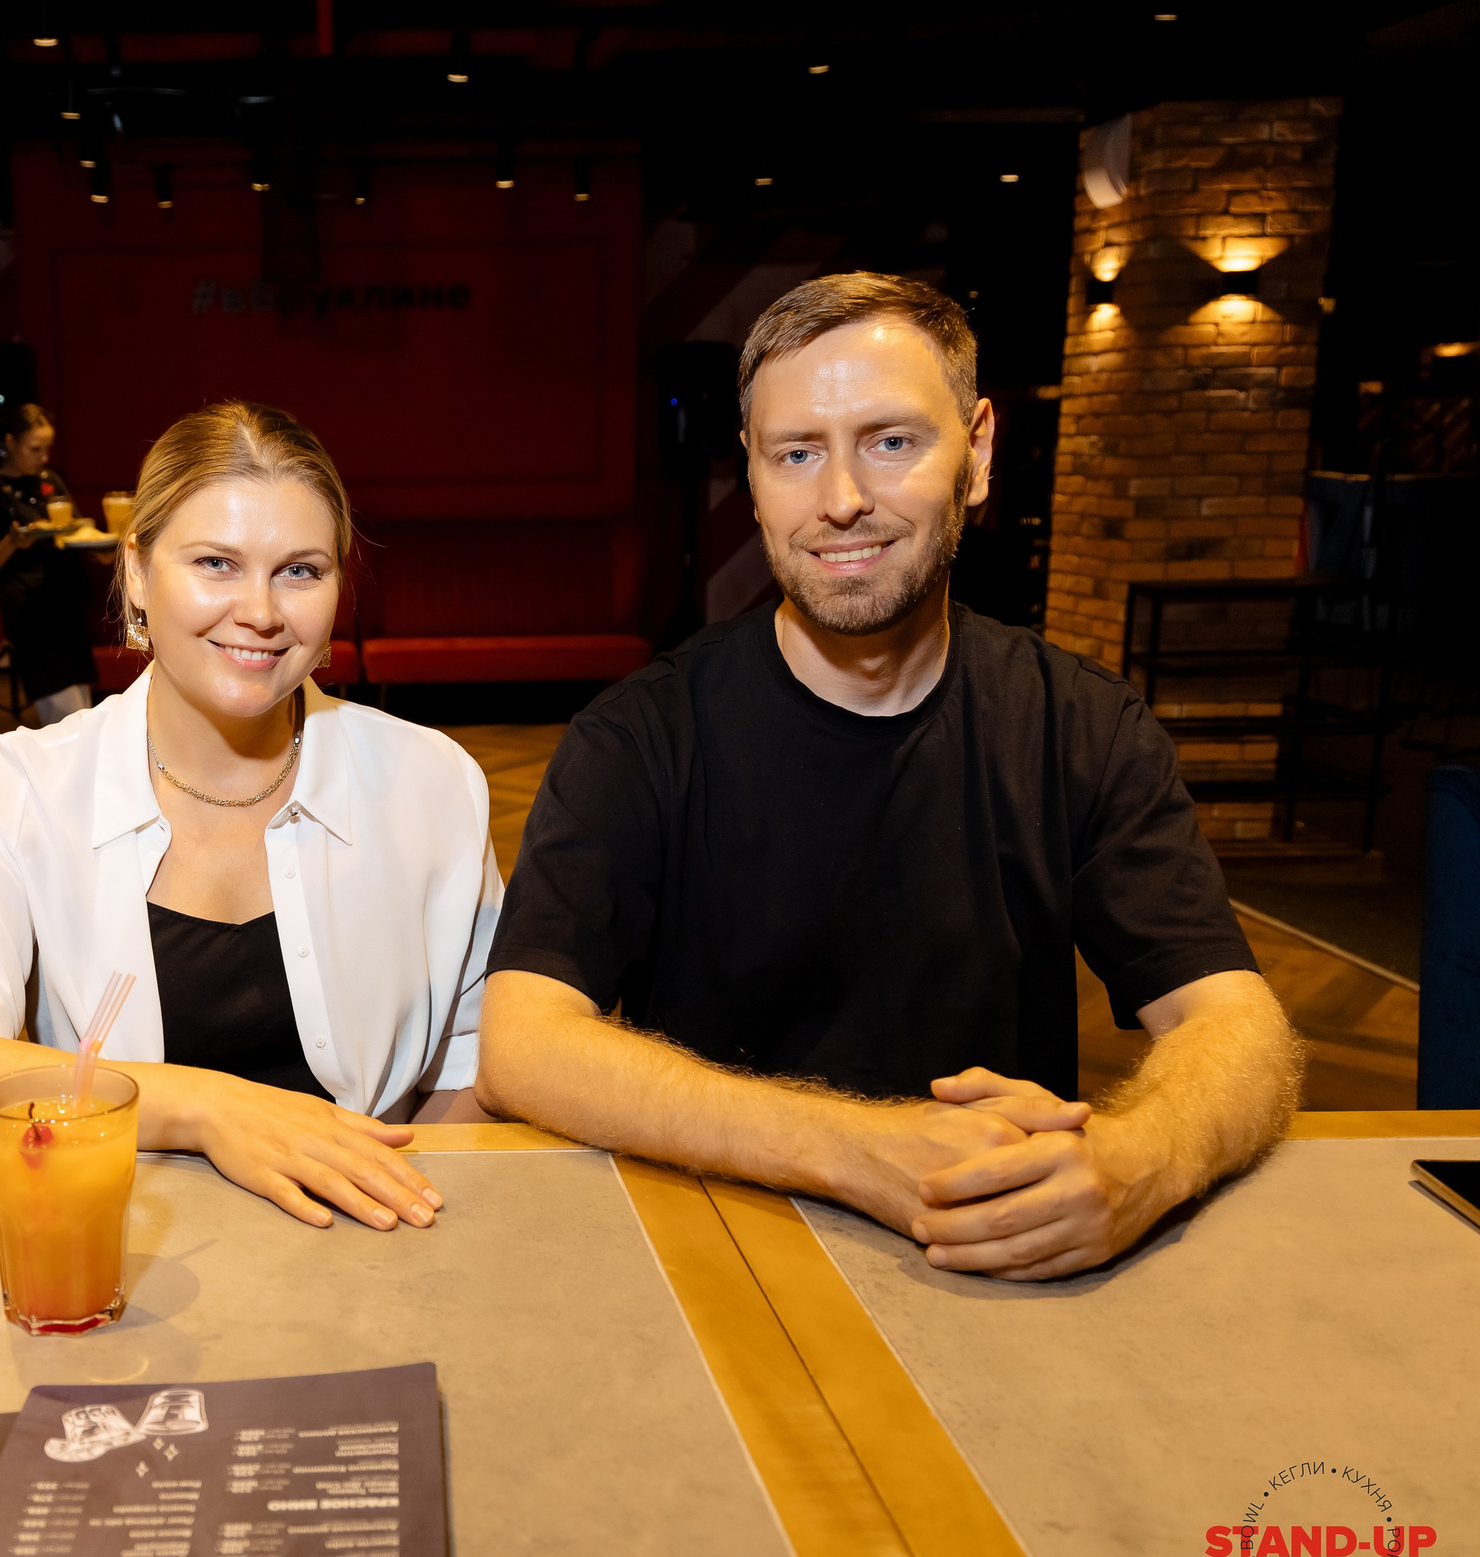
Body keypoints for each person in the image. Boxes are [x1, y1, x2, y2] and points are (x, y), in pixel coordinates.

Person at [477, 273, 1302, 1282]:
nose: (841, 501)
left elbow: (1236, 1023)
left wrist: (1139, 1159)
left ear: (979, 451)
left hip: (1003, 1258)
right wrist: (859, 1152)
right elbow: (522, 1041)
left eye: (891, 442)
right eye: (796, 454)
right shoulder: (640, 736)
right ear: (752, 471)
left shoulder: (1080, 726)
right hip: (722, 1244)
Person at [0, 401, 502, 1231]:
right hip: (117, 1250)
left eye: (301, 570)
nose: (262, 611)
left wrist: (398, 1228)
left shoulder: (433, 782)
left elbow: (475, 1067)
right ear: (135, 573)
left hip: (371, 1253)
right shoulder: (20, 789)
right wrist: (207, 1109)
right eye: (216, 562)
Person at [0, 402, 105, 727]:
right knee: (65, 717)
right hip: (33, 614)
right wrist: (12, 543)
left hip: (68, 606)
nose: (44, 457)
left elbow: (75, 531)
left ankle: (84, 775)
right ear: (10, 443)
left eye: (47, 448)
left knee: (85, 711)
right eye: (35, 448)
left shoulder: (49, 481)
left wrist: (104, 546)